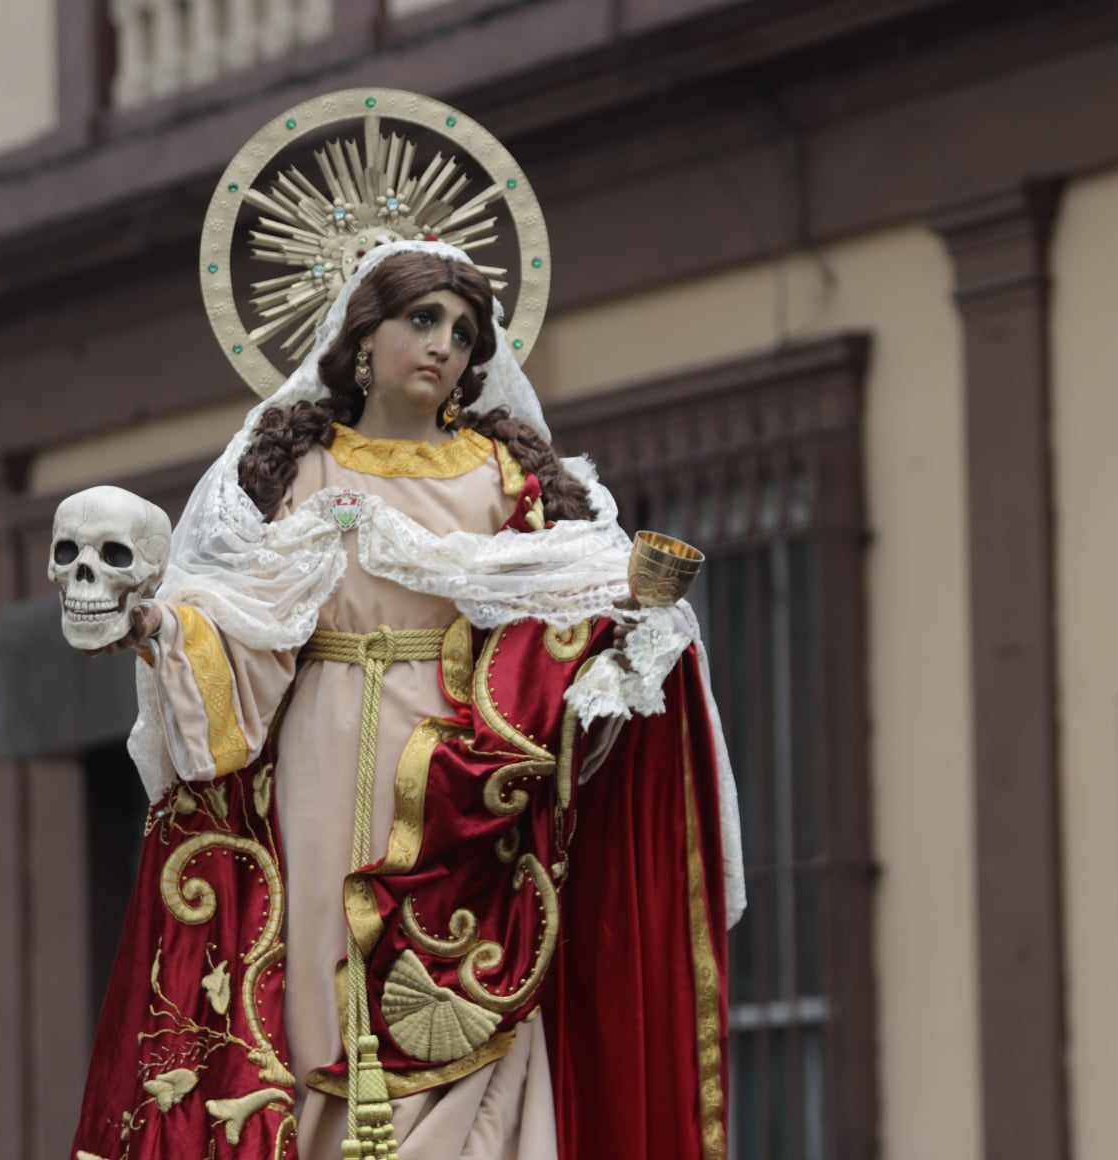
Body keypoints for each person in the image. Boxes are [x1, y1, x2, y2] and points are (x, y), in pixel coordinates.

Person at [68, 235, 743, 1159]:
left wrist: (623, 618)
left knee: (462, 988)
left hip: (463, 767)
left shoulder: (505, 479)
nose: (443, 347)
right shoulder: (297, 475)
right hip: (316, 753)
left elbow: (555, 611)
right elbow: (245, 627)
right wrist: (158, 631)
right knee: (310, 997)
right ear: (364, 334)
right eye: (422, 320)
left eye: (464, 334)